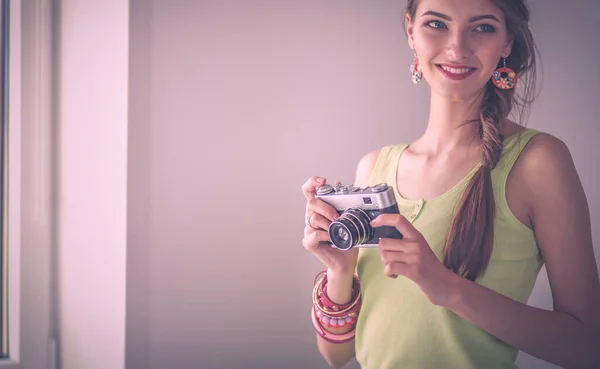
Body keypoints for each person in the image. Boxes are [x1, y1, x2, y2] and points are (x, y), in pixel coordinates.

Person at [301, 0, 600, 368]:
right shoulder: (373, 168)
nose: (457, 48)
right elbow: (336, 355)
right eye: (437, 24)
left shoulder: (539, 161)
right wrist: (340, 271)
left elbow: (587, 345)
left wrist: (446, 287)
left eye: (483, 27)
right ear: (411, 31)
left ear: (507, 42)